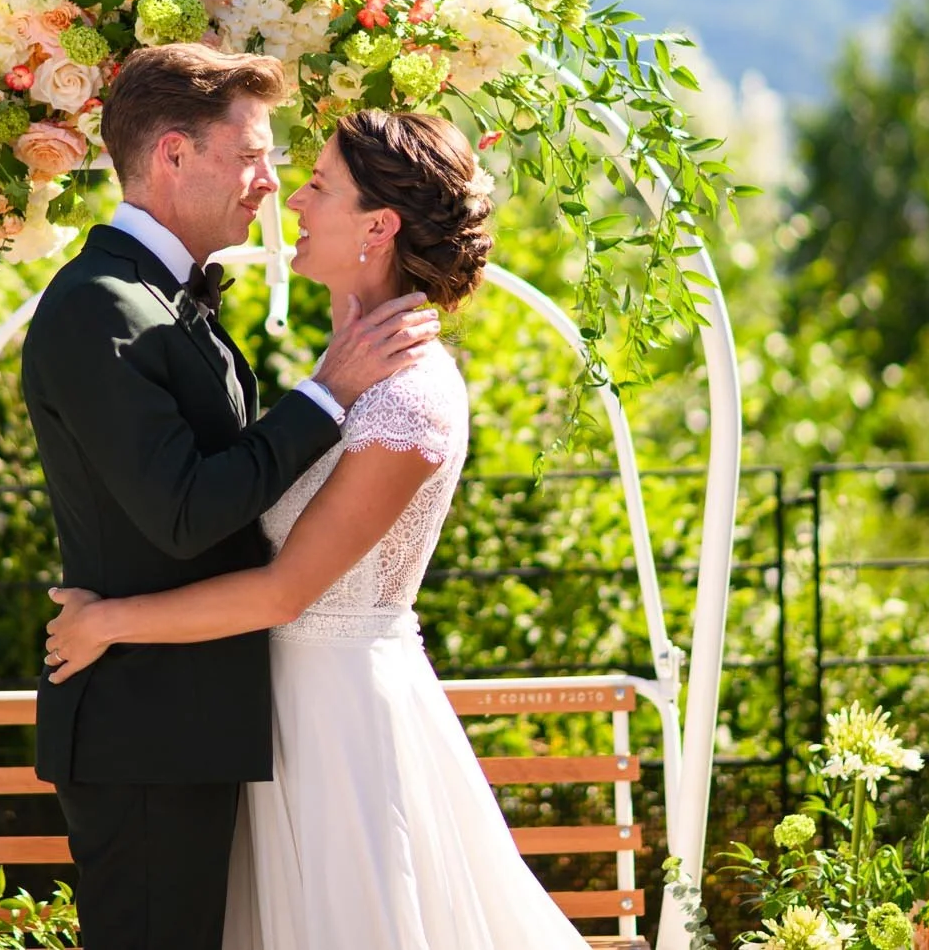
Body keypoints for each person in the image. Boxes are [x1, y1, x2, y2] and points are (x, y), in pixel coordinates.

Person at [44, 110, 591, 949]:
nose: (292, 195)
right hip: (275, 715)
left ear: (378, 226)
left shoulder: (410, 395)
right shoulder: (351, 366)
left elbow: (285, 588)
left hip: (342, 730)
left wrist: (108, 622)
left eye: (320, 184)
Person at [20, 43, 440, 950]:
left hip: (200, 724)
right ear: (175, 154)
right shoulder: (100, 306)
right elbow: (185, 511)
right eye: (253, 154)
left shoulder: (169, 300)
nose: (270, 182)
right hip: (145, 734)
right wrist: (326, 394)